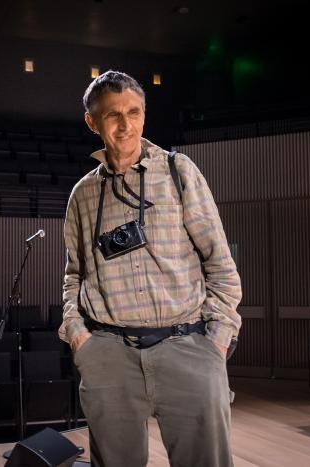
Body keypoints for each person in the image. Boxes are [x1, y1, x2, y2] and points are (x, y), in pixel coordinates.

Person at [59, 70, 242, 467]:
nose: (126, 125)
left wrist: (218, 340)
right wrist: (79, 338)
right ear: (92, 122)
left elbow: (220, 263)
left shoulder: (179, 172)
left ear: (144, 115)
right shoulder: (83, 194)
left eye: (134, 112)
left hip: (188, 346)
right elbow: (74, 276)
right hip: (108, 355)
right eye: (112, 115)